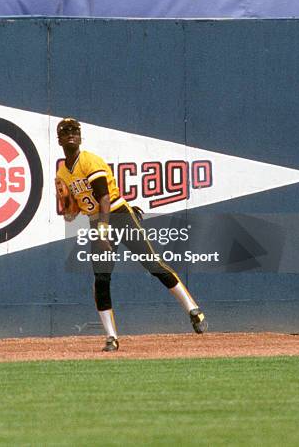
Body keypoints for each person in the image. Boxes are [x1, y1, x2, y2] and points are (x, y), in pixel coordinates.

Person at [55, 117, 207, 352]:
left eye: (75, 130)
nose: (71, 134)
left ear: (80, 136)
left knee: (152, 263)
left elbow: (104, 197)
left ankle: (193, 309)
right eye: (66, 131)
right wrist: (70, 211)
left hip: (118, 213)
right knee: (101, 278)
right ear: (59, 139)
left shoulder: (89, 160)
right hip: (97, 220)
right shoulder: (63, 173)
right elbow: (74, 209)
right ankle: (111, 337)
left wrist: (103, 231)